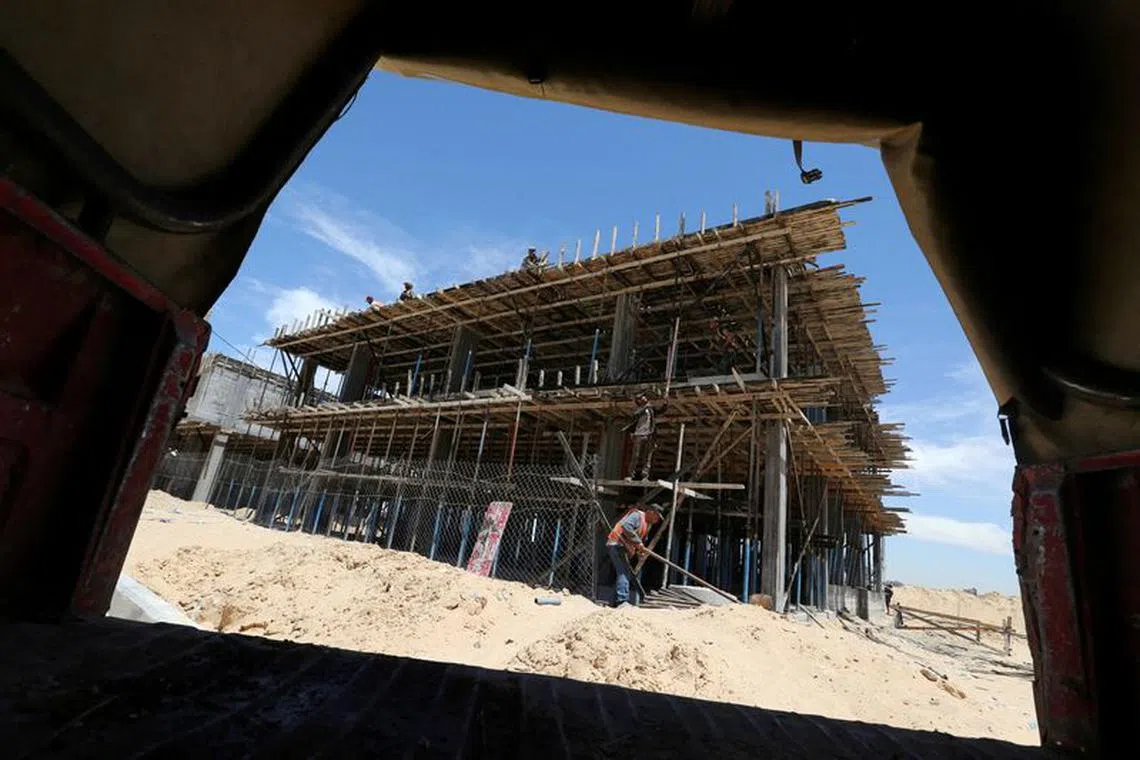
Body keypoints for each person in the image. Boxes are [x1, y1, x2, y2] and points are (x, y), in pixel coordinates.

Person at [605, 503, 663, 607]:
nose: (657, 520)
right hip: (617, 544)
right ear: (650, 512)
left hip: (621, 546)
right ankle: (621, 601)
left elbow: (636, 541)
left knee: (623, 572)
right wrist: (638, 543)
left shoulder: (645, 525)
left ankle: (613, 602)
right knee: (624, 573)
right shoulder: (637, 516)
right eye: (656, 517)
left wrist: (639, 550)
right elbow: (626, 526)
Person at [623, 393, 667, 480]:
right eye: (642, 397)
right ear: (639, 401)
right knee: (635, 456)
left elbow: (660, 411)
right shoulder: (638, 410)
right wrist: (646, 407)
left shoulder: (650, 409)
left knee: (647, 457)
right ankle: (630, 475)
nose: (645, 398)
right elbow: (636, 415)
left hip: (648, 434)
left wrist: (665, 404)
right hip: (638, 434)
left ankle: (645, 476)